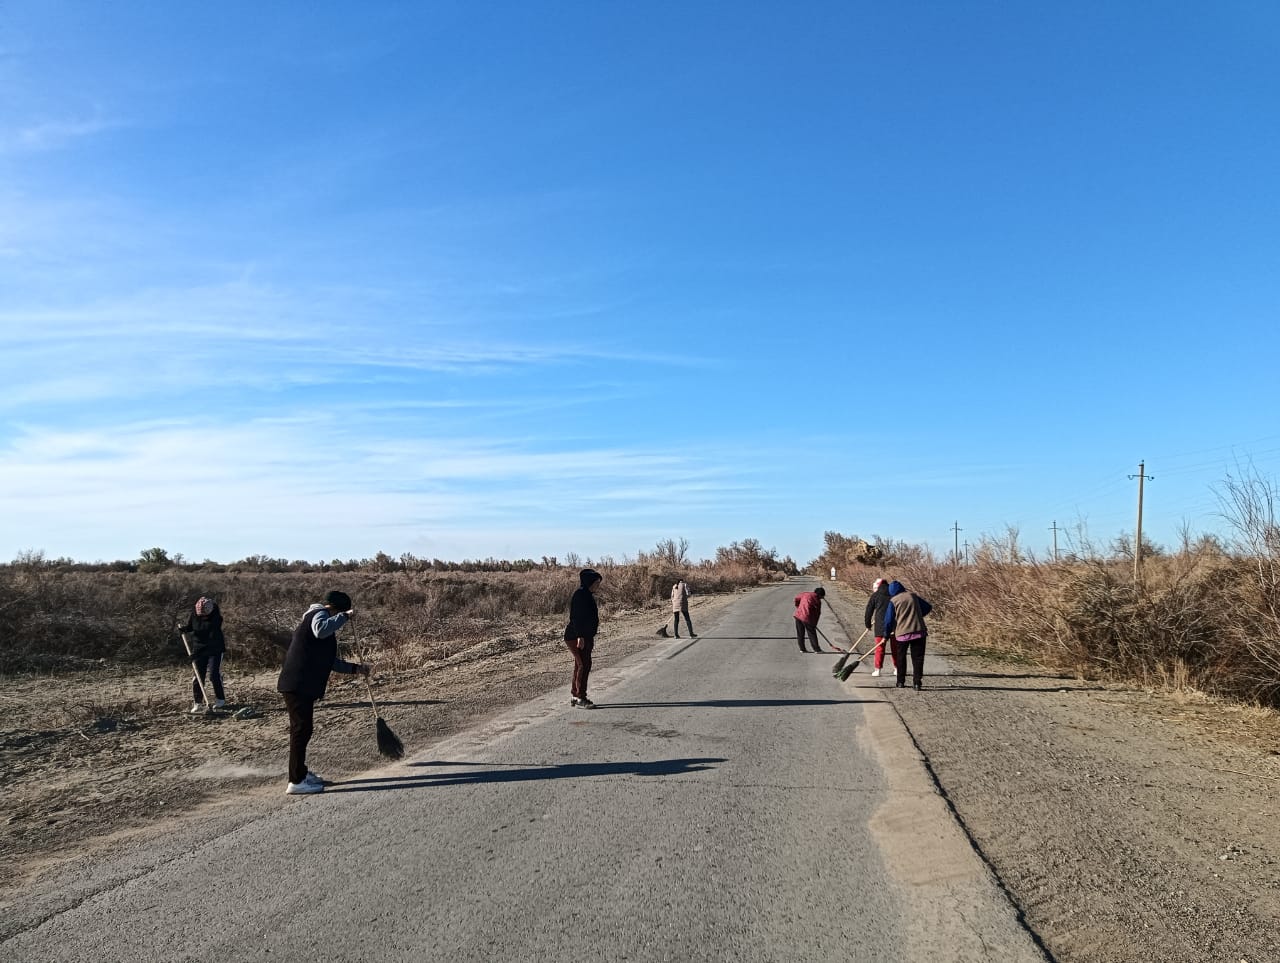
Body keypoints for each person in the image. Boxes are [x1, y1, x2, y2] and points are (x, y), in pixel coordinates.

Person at [276, 590, 371, 795]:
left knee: (303, 729)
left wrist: (356, 669)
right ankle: (296, 781)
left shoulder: (318, 622)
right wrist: (344, 617)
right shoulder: (319, 614)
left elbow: (329, 661)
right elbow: (320, 630)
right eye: (340, 612)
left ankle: (301, 772)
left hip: (301, 684)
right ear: (336, 609)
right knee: (301, 730)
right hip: (297, 683)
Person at [179, 596, 226, 712]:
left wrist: (196, 654)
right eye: (200, 615)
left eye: (204, 616)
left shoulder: (216, 619)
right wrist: (185, 629)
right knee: (198, 676)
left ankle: (220, 700)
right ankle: (198, 703)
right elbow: (192, 627)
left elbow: (211, 640)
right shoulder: (195, 613)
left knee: (214, 675)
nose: (202, 617)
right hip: (199, 647)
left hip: (215, 649)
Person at [884, 580, 933, 690]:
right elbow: (928, 607)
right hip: (919, 631)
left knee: (901, 658)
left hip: (902, 634)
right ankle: (917, 683)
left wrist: (886, 635)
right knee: (918, 658)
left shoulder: (893, 601)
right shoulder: (912, 596)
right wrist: (917, 615)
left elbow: (888, 621)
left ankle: (900, 682)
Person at [565, 569, 603, 708]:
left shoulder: (587, 595)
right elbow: (576, 618)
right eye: (596, 582)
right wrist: (580, 636)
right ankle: (580, 697)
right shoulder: (580, 595)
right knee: (584, 665)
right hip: (576, 636)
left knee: (580, 665)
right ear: (589, 582)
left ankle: (575, 695)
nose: (598, 585)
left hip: (584, 636)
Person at [863, 577, 895, 678]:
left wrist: (868, 624)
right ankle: (897, 669)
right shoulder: (894, 594)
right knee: (895, 648)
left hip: (880, 625)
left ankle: (878, 670)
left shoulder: (876, 595)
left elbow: (869, 610)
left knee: (879, 648)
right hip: (894, 625)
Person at [793, 585, 826, 653]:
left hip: (798, 616)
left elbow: (796, 599)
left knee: (800, 633)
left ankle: (802, 649)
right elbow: (817, 614)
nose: (821, 598)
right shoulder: (817, 601)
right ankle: (817, 649)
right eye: (822, 597)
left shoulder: (805, 594)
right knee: (812, 633)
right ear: (820, 595)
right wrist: (814, 624)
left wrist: (798, 607)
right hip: (807, 618)